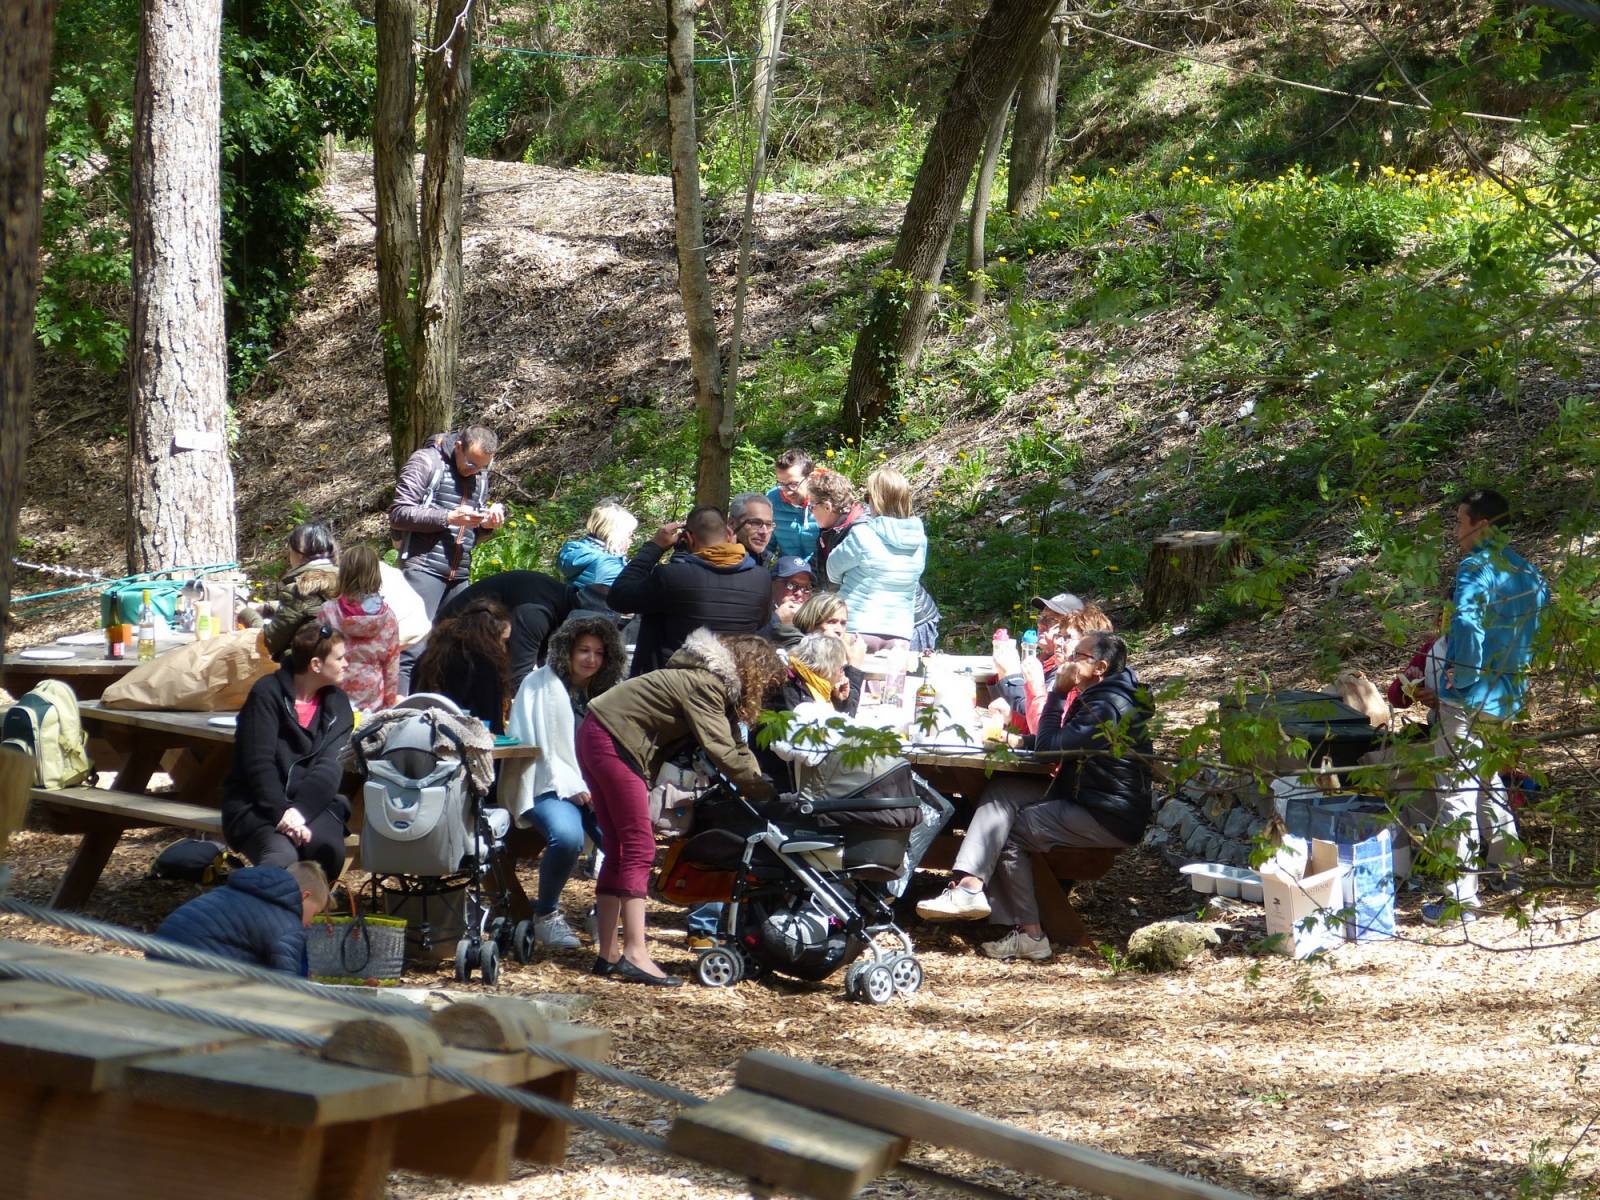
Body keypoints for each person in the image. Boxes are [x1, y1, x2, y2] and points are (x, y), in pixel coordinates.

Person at [918, 631, 1154, 962]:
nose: (1069, 661)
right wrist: (1018, 743)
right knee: (1003, 790)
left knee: (1012, 831)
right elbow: (1061, 744)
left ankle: (1031, 934)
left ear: (1100, 667)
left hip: (1106, 813)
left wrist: (1057, 693)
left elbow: (1050, 750)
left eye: (1078, 657)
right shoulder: (1106, 694)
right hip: (1088, 793)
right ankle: (969, 886)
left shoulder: (1107, 705)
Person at [579, 631, 783, 985]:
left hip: (598, 734)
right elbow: (721, 749)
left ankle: (608, 954)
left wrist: (758, 782)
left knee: (619, 848)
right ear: (752, 672)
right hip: (613, 742)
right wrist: (764, 791)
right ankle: (635, 954)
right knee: (639, 848)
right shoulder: (705, 685)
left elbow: (734, 742)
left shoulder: (706, 682)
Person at [1419, 488, 1548, 924]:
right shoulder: (1526, 570)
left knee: (1455, 794)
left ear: (1483, 525)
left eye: (1459, 522)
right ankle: (1509, 873)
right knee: (1488, 777)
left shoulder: (1476, 566)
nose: (1456, 533)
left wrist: (1462, 677)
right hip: (1507, 695)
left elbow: (1469, 623)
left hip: (1471, 698)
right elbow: (1538, 629)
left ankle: (1460, 900)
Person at [503, 615, 626, 950]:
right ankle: (546, 915)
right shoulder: (539, 684)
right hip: (547, 784)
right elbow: (529, 742)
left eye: (599, 653)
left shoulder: (606, 692)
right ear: (566, 650)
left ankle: (604, 913)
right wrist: (569, 784)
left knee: (623, 844)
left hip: (596, 787)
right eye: (583, 650)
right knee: (568, 837)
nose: (591, 659)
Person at [223, 622, 356, 882]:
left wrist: (298, 814)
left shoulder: (338, 705)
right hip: (258, 805)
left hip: (313, 805)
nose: (346, 664)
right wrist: (281, 813)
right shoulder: (267, 693)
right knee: (281, 860)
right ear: (316, 665)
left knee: (325, 853)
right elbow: (258, 764)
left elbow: (329, 769)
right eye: (340, 658)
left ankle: (306, 917)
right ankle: (248, 912)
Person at [390, 426, 507, 688]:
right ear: (457, 446)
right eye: (470, 462)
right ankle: (399, 714)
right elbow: (398, 513)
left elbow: (472, 536)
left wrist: (487, 524)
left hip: (459, 573)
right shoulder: (426, 461)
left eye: (482, 467)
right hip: (423, 567)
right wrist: (448, 517)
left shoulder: (479, 476)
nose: (474, 470)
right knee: (413, 647)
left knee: (452, 651)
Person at [607, 506, 772, 676]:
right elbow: (762, 622)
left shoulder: (671, 576)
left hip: (670, 687)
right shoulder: (762, 579)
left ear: (687, 538)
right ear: (730, 536)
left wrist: (655, 547)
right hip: (732, 687)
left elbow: (618, 597)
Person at [152, 861, 329, 976]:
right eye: (314, 914)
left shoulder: (245, 890)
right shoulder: (288, 923)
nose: (310, 923)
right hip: (193, 963)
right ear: (304, 896)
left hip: (162, 942)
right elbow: (287, 981)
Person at [824, 466, 928, 652]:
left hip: (857, 627)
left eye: (867, 498)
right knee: (892, 682)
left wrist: (846, 578)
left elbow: (831, 569)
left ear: (876, 500)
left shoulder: (863, 533)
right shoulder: (919, 540)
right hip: (900, 631)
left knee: (851, 681)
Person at [990, 594, 1115, 742]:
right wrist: (1012, 718)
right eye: (1059, 636)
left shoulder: (1097, 698)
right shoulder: (1070, 679)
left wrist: (1027, 683)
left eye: (1067, 637)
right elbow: (1051, 731)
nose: (1059, 642)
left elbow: (1049, 742)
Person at [435, 570, 579, 691]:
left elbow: (548, 669)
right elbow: (519, 678)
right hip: (450, 649)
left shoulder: (560, 603)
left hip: (473, 649)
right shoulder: (536, 613)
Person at [412, 598, 514, 733]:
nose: (504, 648)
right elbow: (491, 723)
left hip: (419, 736)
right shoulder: (484, 666)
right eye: (503, 641)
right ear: (491, 637)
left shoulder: (428, 657)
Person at [319, 544, 400, 714]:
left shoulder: (328, 611)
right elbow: (392, 668)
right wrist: (389, 706)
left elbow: (317, 655)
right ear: (376, 574)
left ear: (344, 574)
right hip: (372, 700)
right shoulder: (388, 617)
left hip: (333, 694)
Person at [262, 523, 340, 662]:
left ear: (298, 554)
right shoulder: (347, 578)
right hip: (346, 663)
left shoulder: (298, 589)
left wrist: (247, 614)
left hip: (310, 672)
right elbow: (312, 609)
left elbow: (270, 642)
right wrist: (269, 607)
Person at [559, 501, 638, 607]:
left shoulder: (578, 551)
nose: (631, 540)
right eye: (629, 534)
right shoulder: (607, 564)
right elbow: (629, 597)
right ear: (615, 534)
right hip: (600, 618)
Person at [807, 470, 866, 583]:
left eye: (812, 506)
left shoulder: (857, 534)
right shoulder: (831, 527)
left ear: (827, 507)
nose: (811, 512)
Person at [768, 449, 820, 562]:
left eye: (793, 484)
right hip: (788, 571)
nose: (788, 491)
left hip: (823, 572)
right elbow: (766, 544)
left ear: (810, 478)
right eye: (781, 484)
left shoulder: (825, 500)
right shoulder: (772, 500)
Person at [762, 557, 816, 650]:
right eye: (791, 585)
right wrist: (776, 620)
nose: (799, 593)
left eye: (806, 587)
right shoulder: (758, 613)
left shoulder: (814, 620)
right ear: (772, 584)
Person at [730, 492, 780, 572]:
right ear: (732, 523)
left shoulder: (772, 565)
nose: (764, 532)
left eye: (768, 524)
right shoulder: (718, 564)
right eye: (755, 523)